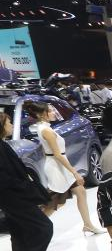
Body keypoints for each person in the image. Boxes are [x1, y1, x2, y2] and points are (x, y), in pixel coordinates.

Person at [24, 100, 105, 234]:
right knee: (56, 203)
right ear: (42, 114)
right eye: (50, 111)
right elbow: (58, 154)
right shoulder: (46, 130)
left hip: (56, 166)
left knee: (80, 192)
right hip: (57, 168)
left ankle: (88, 224)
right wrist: (74, 172)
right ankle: (34, 227)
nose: (54, 113)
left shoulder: (44, 128)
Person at [0, 110, 54, 251]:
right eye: (8, 123)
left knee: (19, 229)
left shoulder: (3, 144)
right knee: (43, 226)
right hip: (13, 195)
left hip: (11, 195)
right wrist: (23, 186)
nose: (11, 126)